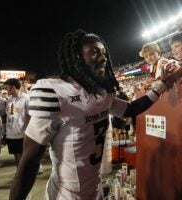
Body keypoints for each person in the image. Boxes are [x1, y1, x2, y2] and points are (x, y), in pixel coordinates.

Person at [9, 29, 179, 200]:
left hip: (94, 191)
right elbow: (29, 163)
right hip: (65, 196)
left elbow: (131, 109)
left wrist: (163, 84)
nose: (103, 58)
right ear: (77, 58)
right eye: (94, 52)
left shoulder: (102, 93)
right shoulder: (55, 92)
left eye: (104, 52)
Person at [3, 78, 30, 167]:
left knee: (22, 158)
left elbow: (30, 116)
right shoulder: (9, 100)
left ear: (13, 87)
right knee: (16, 157)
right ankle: (20, 175)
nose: (5, 90)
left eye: (6, 87)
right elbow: (11, 114)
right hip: (11, 134)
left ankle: (22, 178)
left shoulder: (26, 98)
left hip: (22, 134)